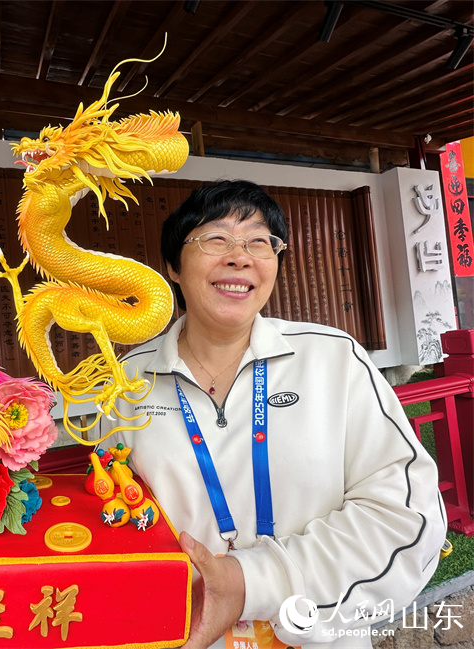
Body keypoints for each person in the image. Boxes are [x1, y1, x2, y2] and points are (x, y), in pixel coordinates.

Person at [101, 181, 446, 648]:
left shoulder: (334, 359)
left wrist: (249, 582)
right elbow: (114, 514)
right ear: (173, 268)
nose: (239, 256)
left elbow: (405, 518)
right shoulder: (127, 380)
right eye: (215, 238)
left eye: (259, 241)